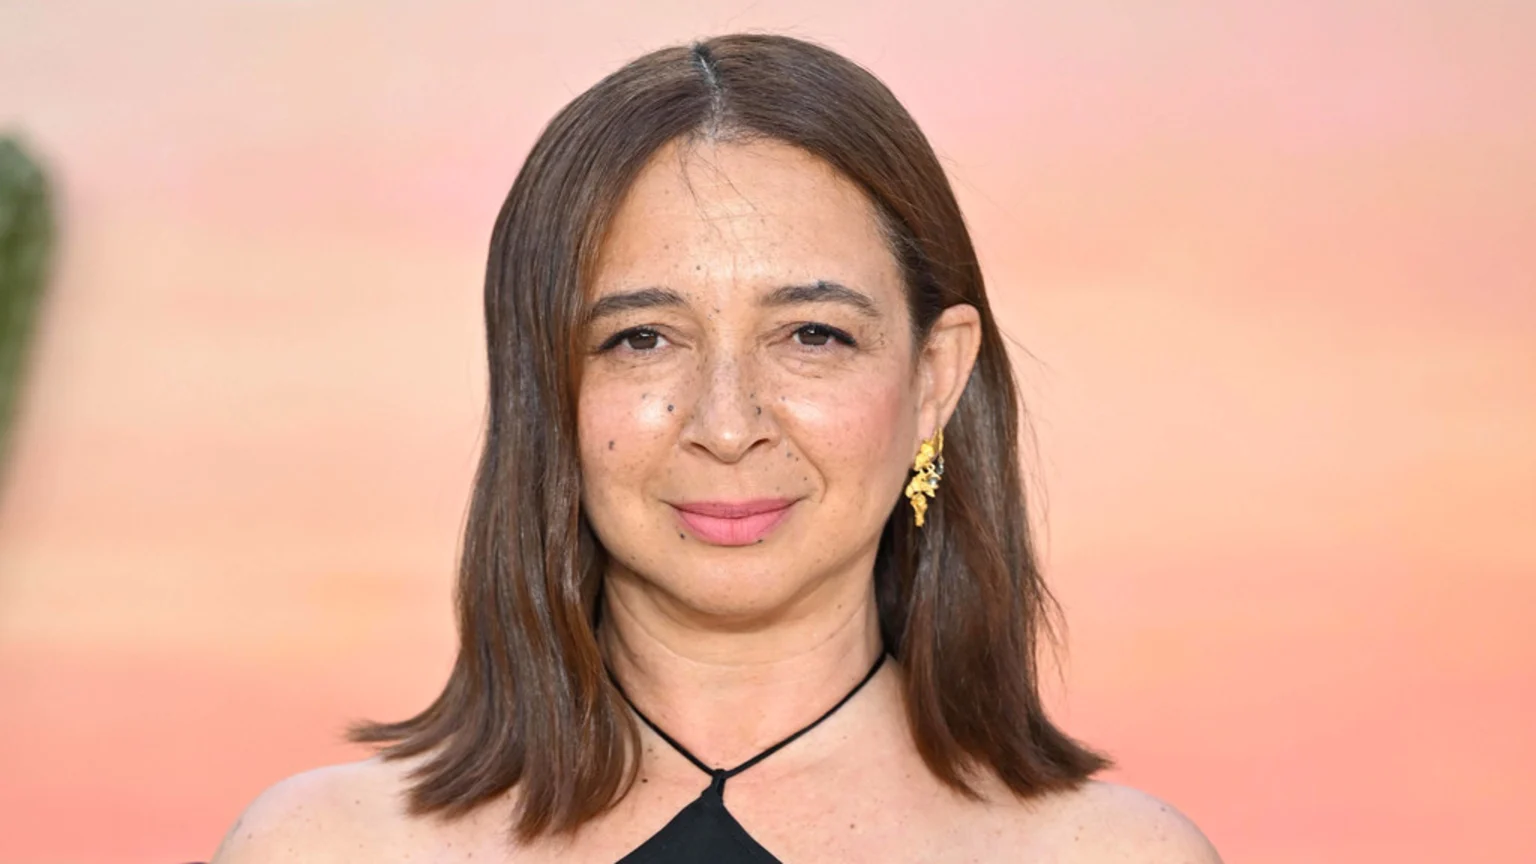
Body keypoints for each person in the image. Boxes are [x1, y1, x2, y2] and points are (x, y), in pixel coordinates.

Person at [211, 33, 1221, 863]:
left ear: (934, 377)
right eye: (641, 338)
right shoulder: (326, 846)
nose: (729, 425)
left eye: (813, 336)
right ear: (544, 389)